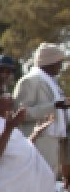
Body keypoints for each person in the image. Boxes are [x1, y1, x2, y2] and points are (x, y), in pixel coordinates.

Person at [13, 42, 69, 173]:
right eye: (59, 63)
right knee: (39, 180)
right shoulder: (30, 81)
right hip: (39, 141)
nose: (61, 67)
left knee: (50, 182)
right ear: (50, 62)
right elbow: (21, 113)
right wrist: (55, 105)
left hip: (56, 141)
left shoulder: (52, 83)